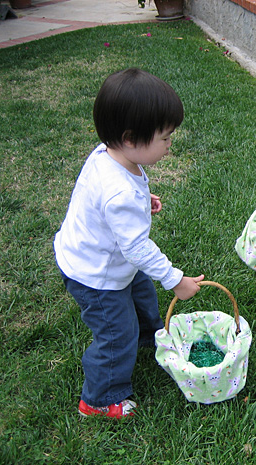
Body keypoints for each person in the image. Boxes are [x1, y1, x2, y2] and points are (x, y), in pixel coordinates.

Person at [54, 68, 203, 419]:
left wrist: (142, 197)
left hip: (107, 258)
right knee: (115, 335)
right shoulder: (118, 192)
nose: (170, 145)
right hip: (96, 275)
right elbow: (136, 248)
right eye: (165, 138)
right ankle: (100, 398)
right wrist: (175, 280)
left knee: (140, 295)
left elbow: (111, 201)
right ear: (131, 138)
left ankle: (149, 338)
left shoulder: (110, 155)